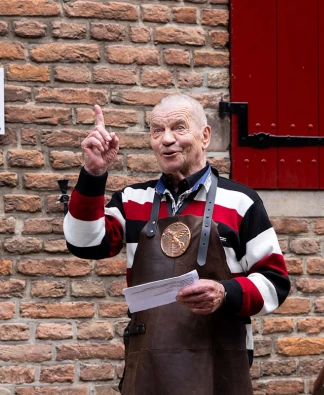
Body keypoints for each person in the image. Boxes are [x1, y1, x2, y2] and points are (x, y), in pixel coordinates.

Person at [63, 94, 290, 395]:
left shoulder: (241, 202)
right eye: (157, 130)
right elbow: (84, 243)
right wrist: (93, 174)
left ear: (205, 136)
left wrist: (225, 292)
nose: (167, 140)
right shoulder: (132, 201)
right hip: (148, 364)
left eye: (179, 128)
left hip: (220, 364)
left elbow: (275, 283)